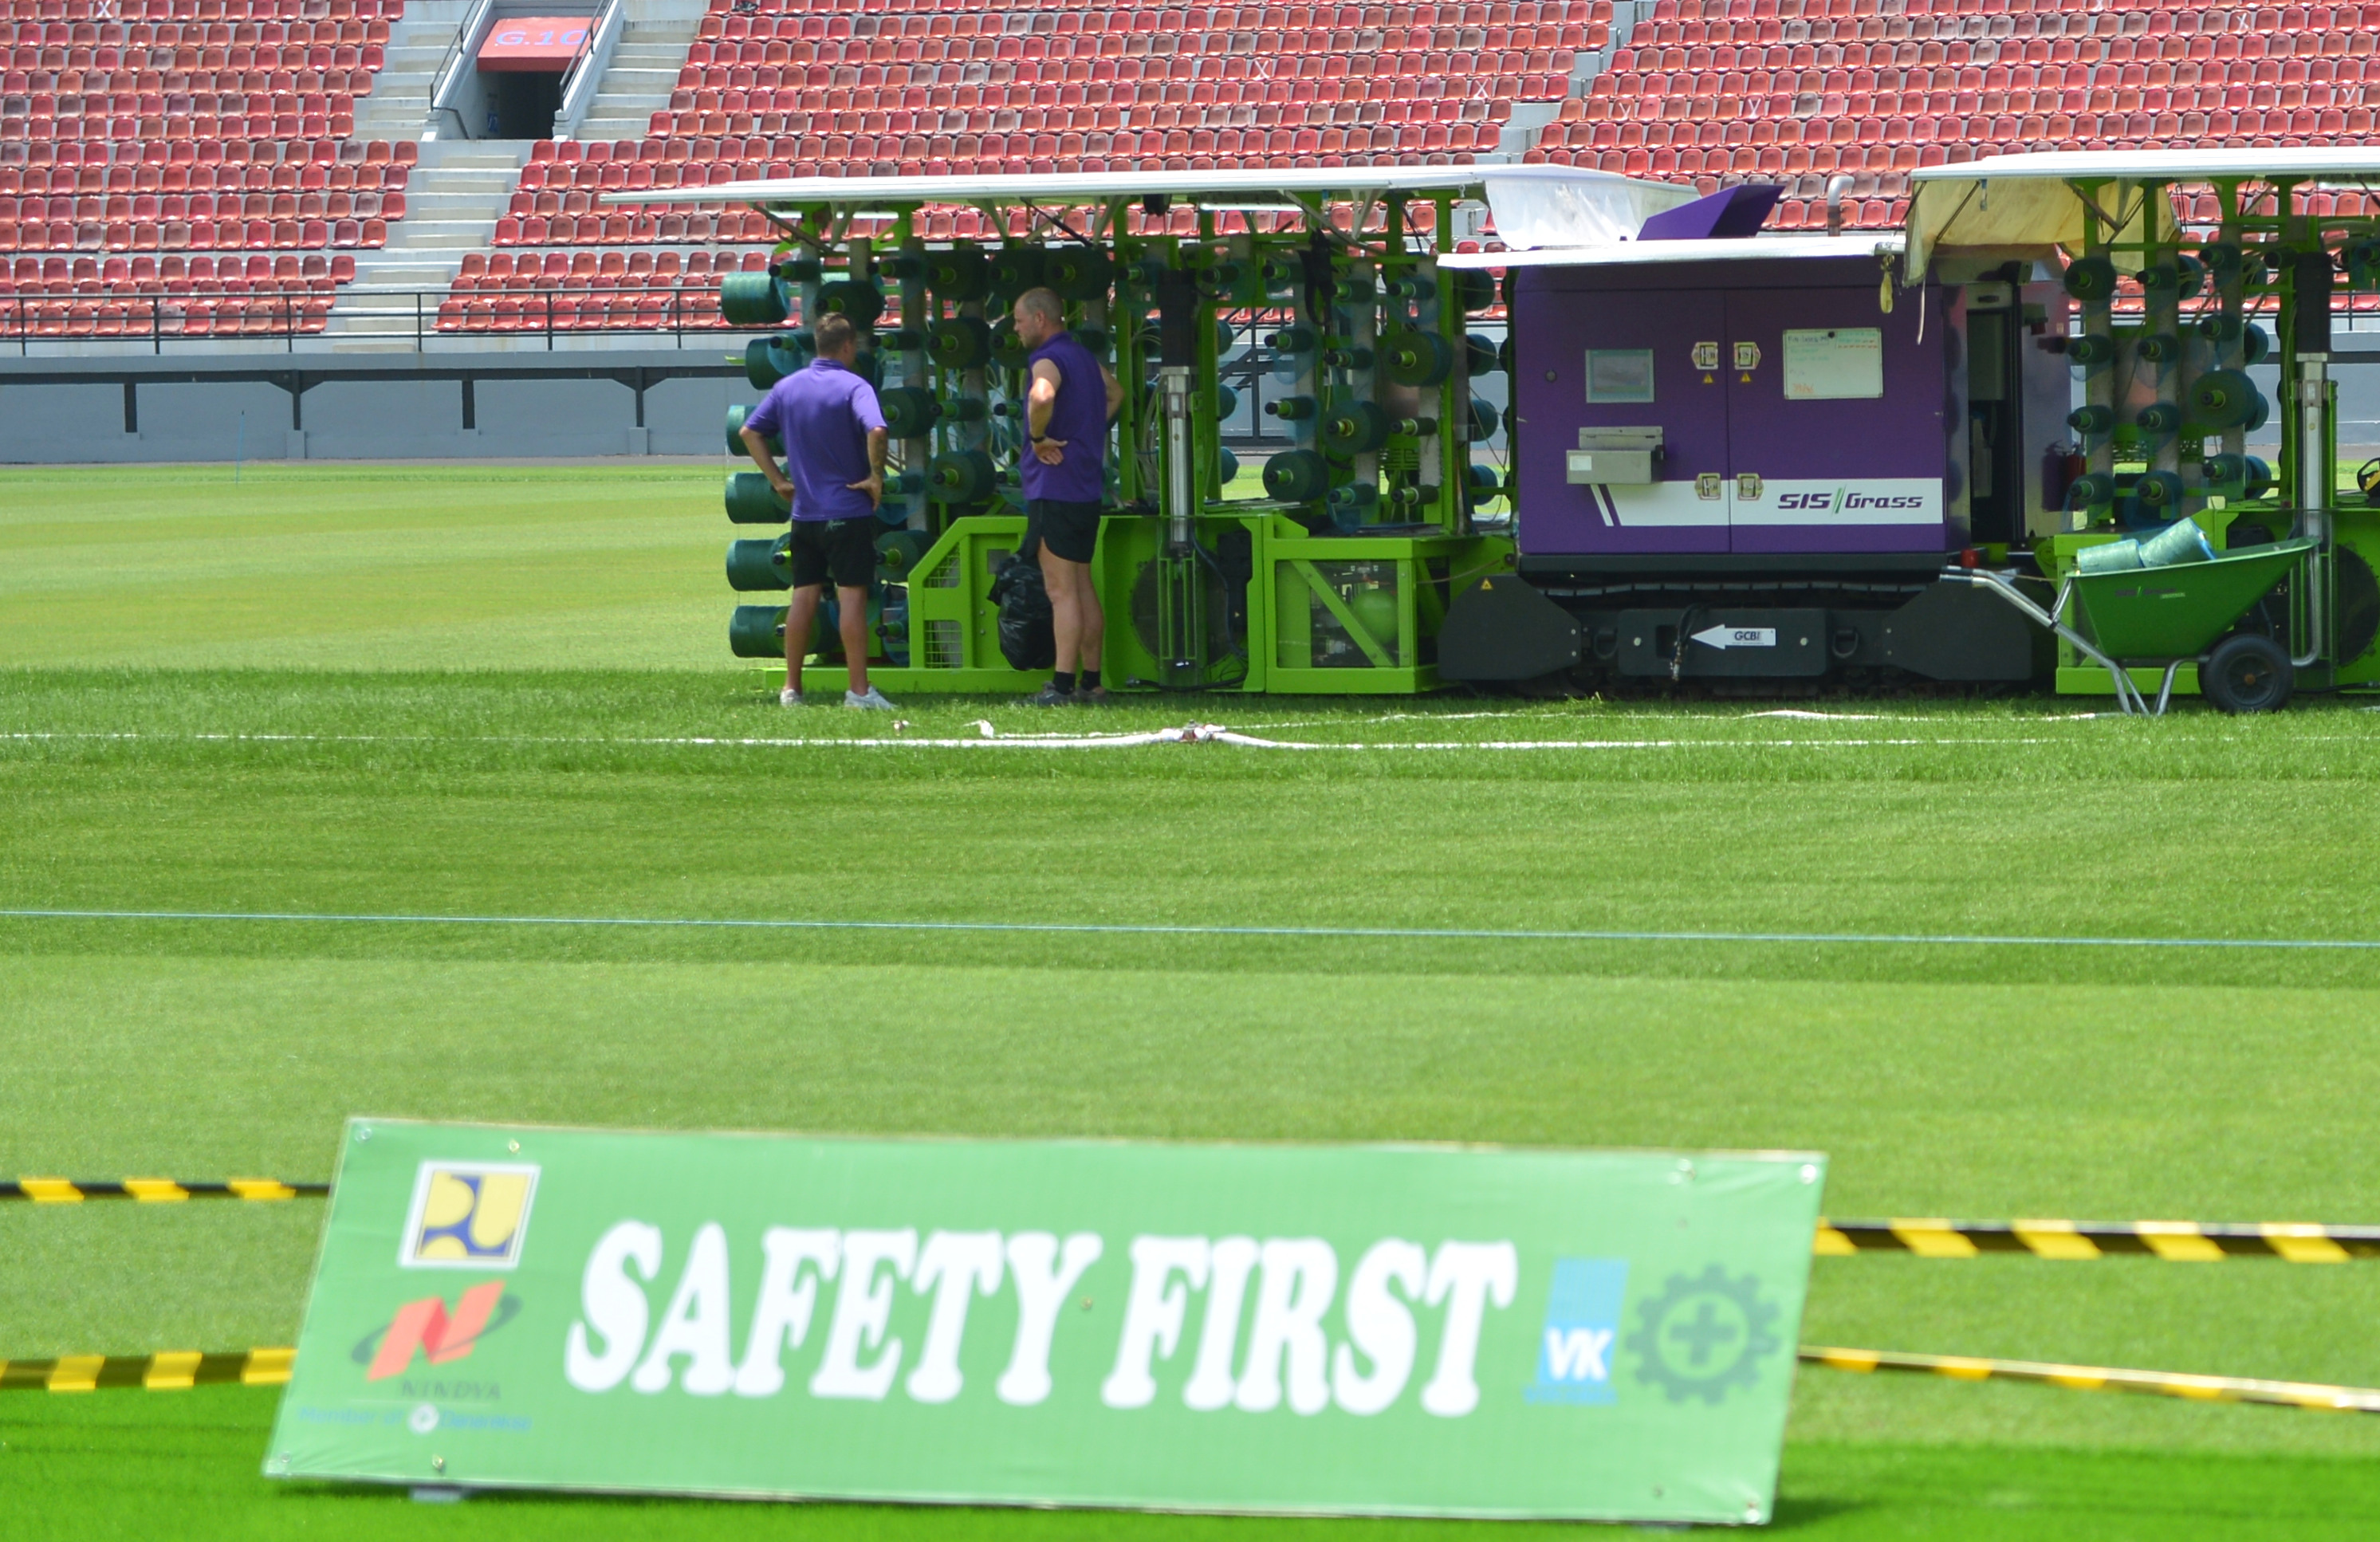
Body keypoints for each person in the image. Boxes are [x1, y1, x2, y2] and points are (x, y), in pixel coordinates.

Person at [739, 313, 896, 709]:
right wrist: (876, 477)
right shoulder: (855, 386)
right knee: (852, 600)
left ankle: (792, 689)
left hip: (804, 515)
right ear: (848, 346)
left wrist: (777, 480)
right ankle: (859, 691)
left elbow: (749, 432)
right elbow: (877, 429)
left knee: (803, 598)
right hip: (847, 511)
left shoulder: (787, 387)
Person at [1013, 287, 1124, 705]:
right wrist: (1086, 433)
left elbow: (1041, 395)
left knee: (1061, 592)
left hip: (1054, 486)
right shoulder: (1081, 355)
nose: (1016, 328)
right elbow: (1116, 393)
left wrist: (1040, 437)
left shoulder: (1048, 359)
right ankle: (1092, 681)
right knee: (1081, 585)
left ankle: (1061, 686)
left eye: (1019, 320)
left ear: (1041, 319)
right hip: (1085, 488)